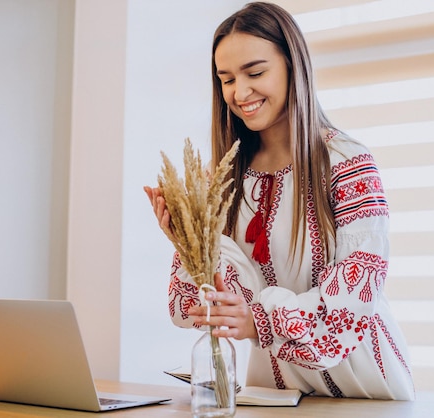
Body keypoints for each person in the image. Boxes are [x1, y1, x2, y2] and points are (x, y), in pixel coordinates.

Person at [144, 2, 414, 400]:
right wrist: (189, 246)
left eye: (255, 72)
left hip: (364, 389)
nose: (240, 92)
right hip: (272, 393)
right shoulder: (224, 176)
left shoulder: (347, 162)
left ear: (293, 66)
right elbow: (195, 311)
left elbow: (352, 302)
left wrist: (259, 321)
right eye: (227, 78)